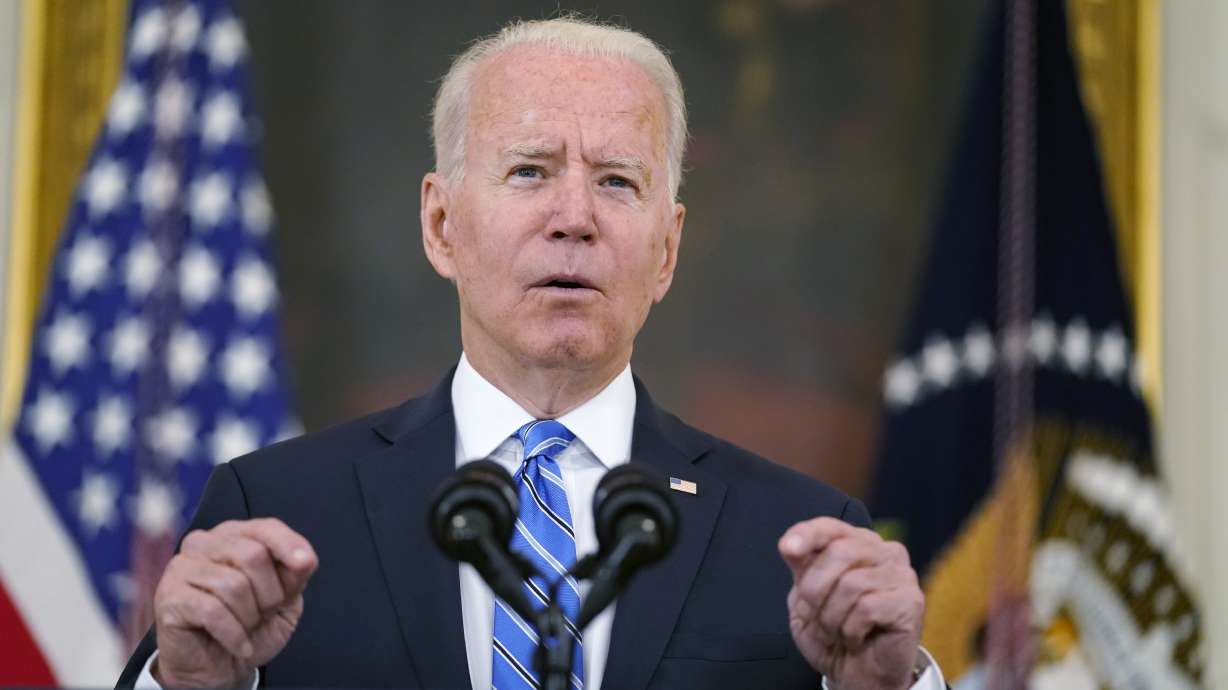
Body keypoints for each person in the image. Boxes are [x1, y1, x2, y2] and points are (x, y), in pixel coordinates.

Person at [118, 17, 945, 690]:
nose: (574, 217)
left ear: (667, 251)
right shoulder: (276, 513)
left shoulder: (800, 542)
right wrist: (191, 687)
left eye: (618, 181)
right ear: (442, 225)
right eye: (529, 171)